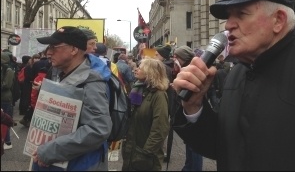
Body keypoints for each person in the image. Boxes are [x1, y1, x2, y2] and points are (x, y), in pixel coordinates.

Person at [172, 0, 295, 171]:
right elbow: (223, 147)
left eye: (241, 14)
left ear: (278, 20)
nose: (228, 25)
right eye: (229, 16)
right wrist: (194, 106)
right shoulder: (238, 72)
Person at [32, 26, 112, 171]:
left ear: (74, 50)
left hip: (80, 164)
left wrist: (50, 151)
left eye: (54, 47)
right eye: (48, 47)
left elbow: (98, 129)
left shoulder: (92, 83)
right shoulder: (61, 72)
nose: (48, 52)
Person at [121, 57, 170, 171]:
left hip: (146, 156)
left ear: (150, 72)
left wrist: (145, 152)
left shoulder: (159, 95)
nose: (135, 69)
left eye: (140, 68)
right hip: (132, 150)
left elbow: (160, 128)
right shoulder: (137, 89)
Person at [172, 46, 203, 171]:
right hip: (187, 113)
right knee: (189, 143)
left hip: (196, 114)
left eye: (177, 57)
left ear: (183, 58)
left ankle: (194, 168)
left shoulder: (194, 70)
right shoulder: (182, 69)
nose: (175, 59)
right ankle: (188, 166)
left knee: (195, 146)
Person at [1, 52, 15, 150]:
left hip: (5, 99)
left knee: (5, 120)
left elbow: (7, 85)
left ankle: (8, 141)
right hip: (3, 97)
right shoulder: (3, 69)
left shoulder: (9, 70)